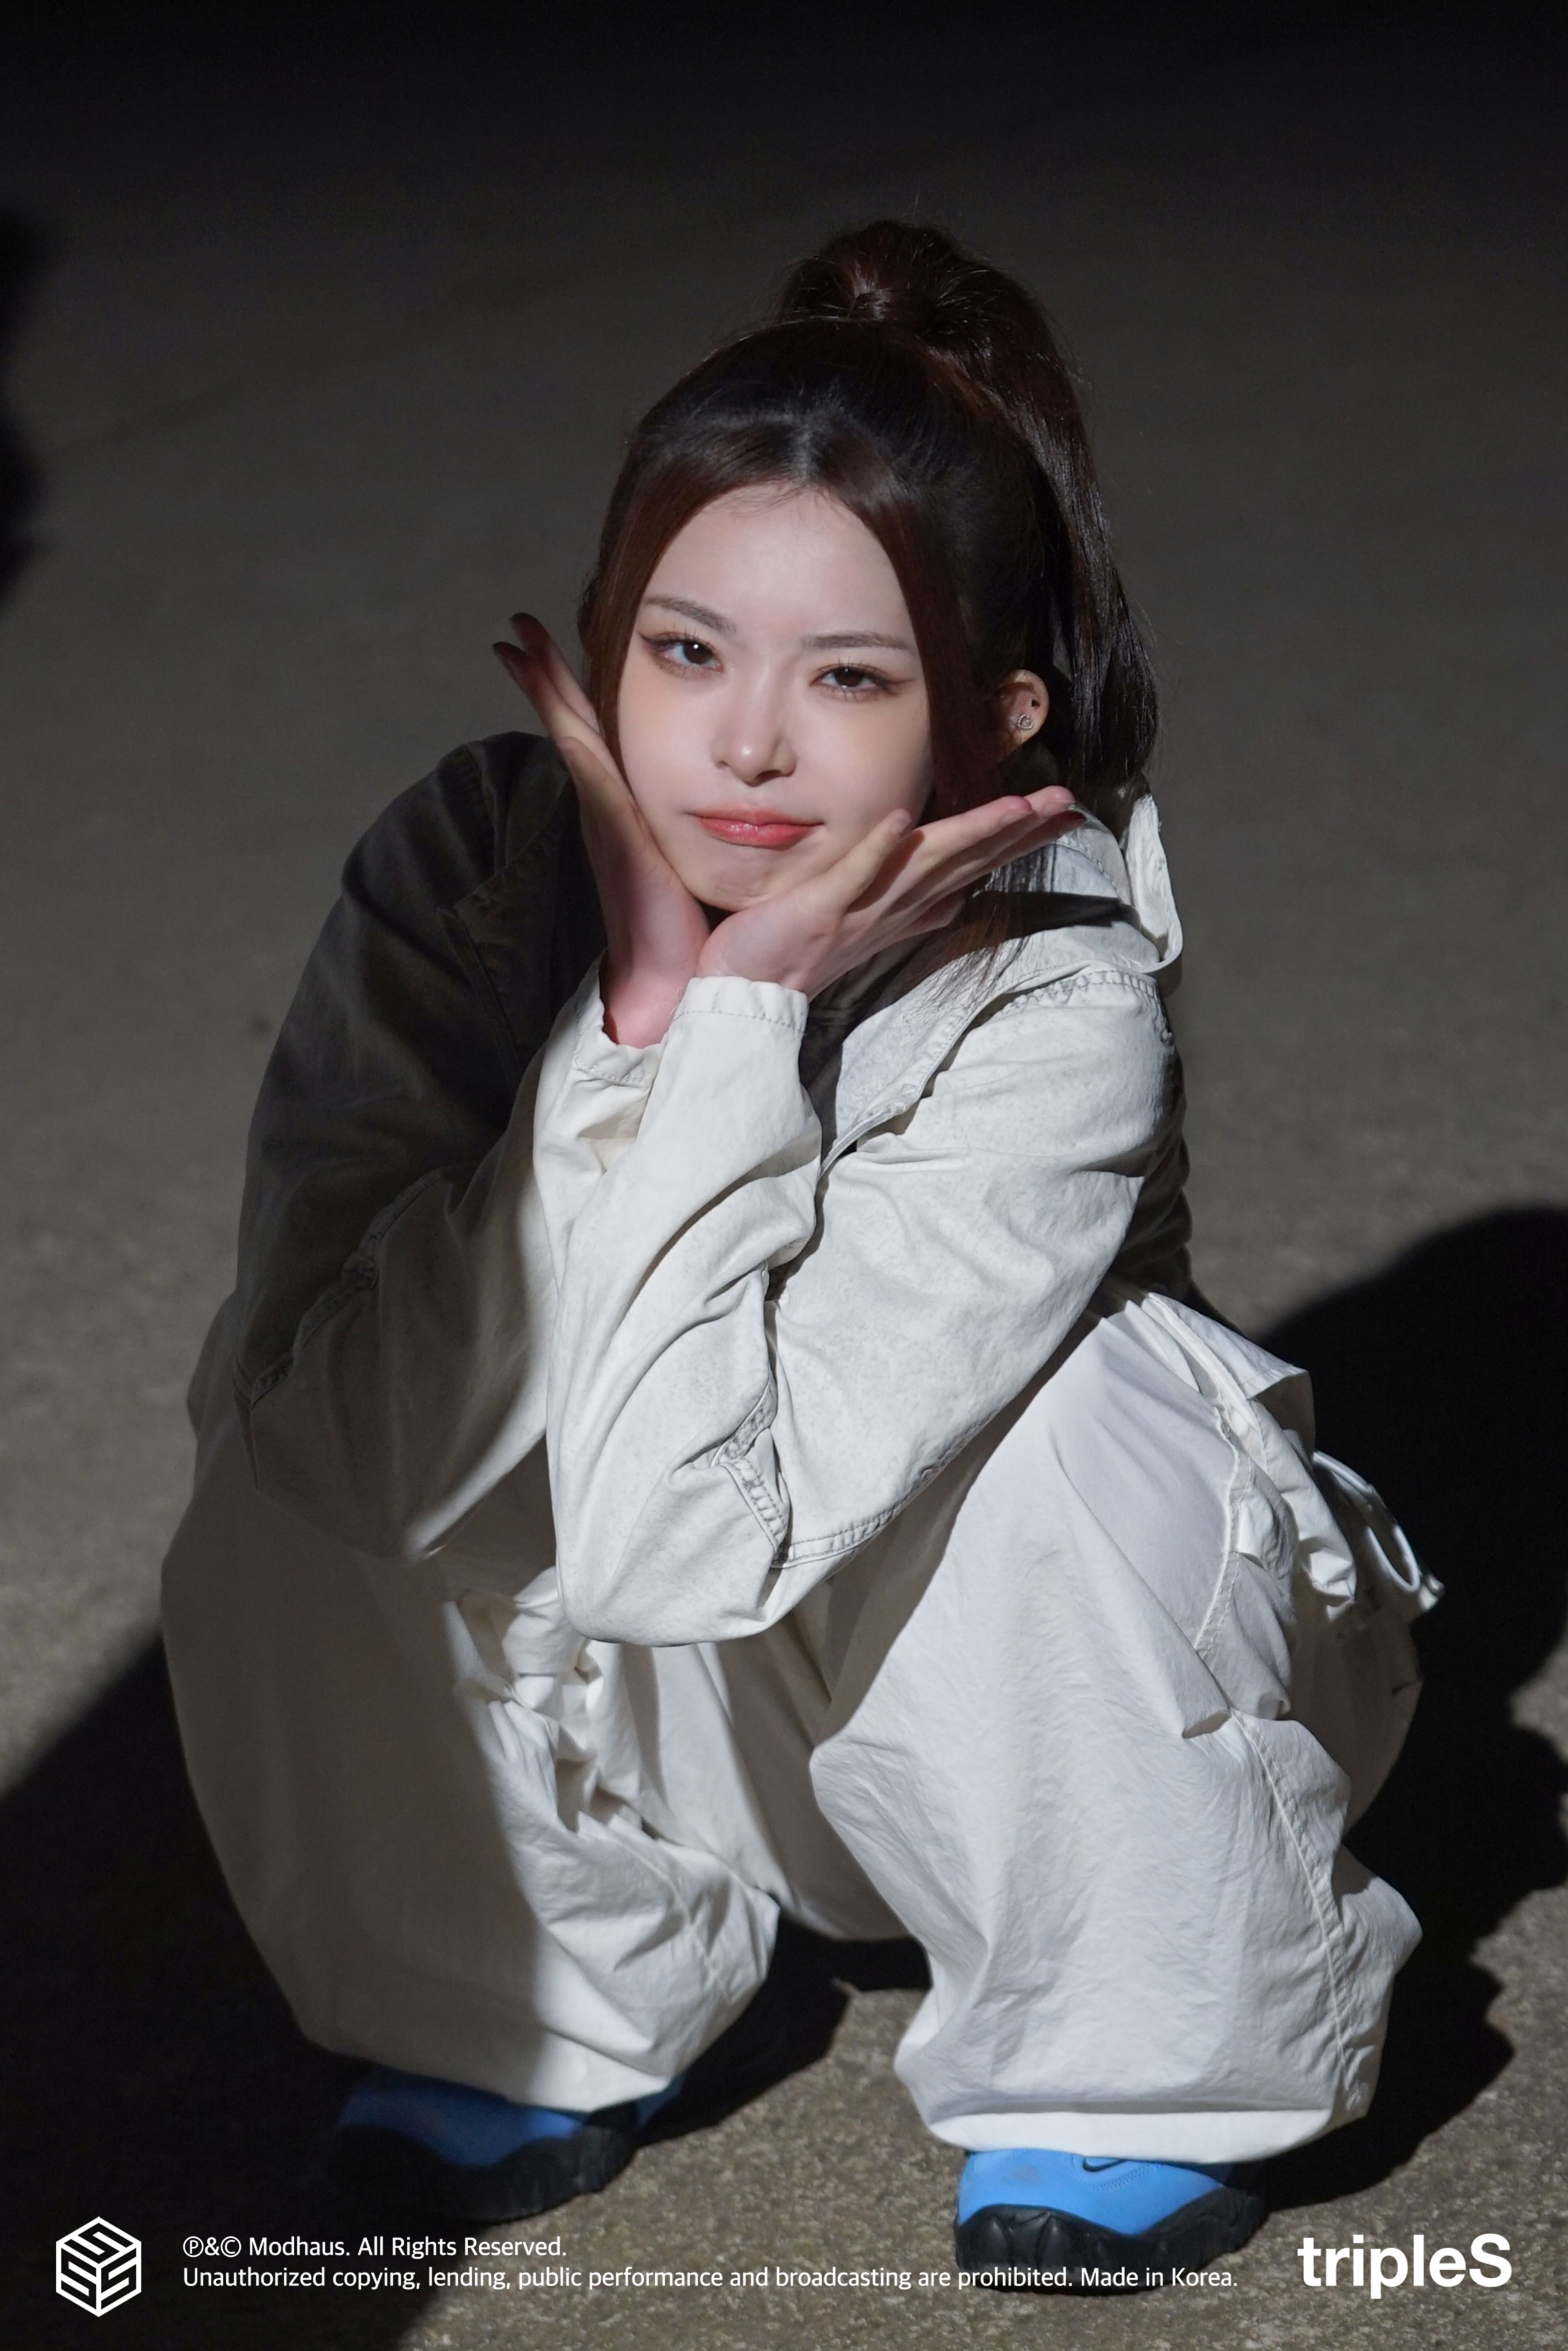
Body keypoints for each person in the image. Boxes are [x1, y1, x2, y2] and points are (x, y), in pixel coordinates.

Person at [160, 220, 1438, 2291]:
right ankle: (534, 1986)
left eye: (848, 677)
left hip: (1049, 1726)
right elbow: (354, 1481)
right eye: (685, 653)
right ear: (595, 650)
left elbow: (698, 1540)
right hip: (699, 1715)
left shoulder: (1052, 983)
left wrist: (734, 1017)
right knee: (293, 1415)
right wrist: (632, 1026)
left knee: (1071, 1413)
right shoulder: (464, 873)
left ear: (989, 713)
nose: (745, 745)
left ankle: (1140, 2054)